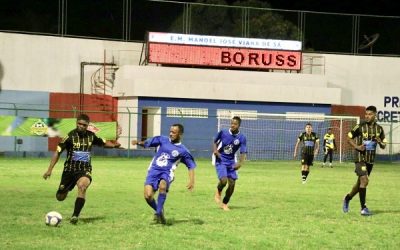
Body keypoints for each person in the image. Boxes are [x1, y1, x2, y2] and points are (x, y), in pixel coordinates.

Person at [43, 114, 120, 224]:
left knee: (82, 186)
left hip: (84, 169)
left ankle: (75, 216)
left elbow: (104, 142)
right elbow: (57, 152)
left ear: (87, 125)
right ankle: (64, 189)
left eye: (84, 125)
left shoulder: (91, 136)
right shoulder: (69, 137)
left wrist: (114, 145)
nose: (81, 126)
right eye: (79, 124)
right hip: (69, 170)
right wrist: (49, 170)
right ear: (76, 123)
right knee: (60, 196)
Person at [131, 123, 196, 224]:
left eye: (174, 132)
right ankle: (160, 211)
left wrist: (191, 181)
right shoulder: (162, 139)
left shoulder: (183, 150)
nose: (171, 134)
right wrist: (138, 142)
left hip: (167, 172)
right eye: (170, 131)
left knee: (162, 186)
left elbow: (191, 166)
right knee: (148, 196)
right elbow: (148, 142)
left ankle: (157, 213)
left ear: (180, 134)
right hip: (153, 170)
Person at [342, 106, 386, 216]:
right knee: (365, 180)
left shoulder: (379, 129)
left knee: (360, 184)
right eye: (366, 114)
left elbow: (384, 145)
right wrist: (357, 146)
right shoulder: (360, 126)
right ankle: (363, 208)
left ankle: (347, 198)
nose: (367, 116)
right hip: (360, 158)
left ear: (375, 115)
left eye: (370, 114)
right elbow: (348, 137)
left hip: (370, 160)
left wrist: (380, 141)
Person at [213, 116, 247, 211]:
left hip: (231, 161)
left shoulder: (242, 137)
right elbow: (214, 141)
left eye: (235, 124)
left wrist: (240, 163)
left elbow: (243, 152)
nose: (232, 125)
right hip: (221, 159)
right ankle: (218, 191)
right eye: (231, 123)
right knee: (223, 181)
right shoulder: (223, 132)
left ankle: (224, 203)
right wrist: (215, 150)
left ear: (239, 125)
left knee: (232, 184)